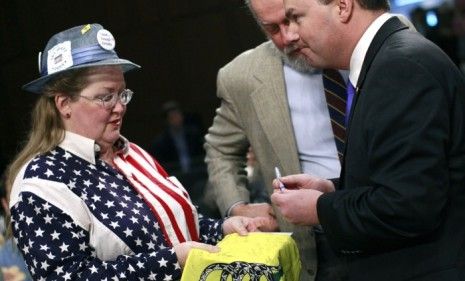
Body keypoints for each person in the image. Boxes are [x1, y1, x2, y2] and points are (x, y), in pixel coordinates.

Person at [5, 23, 269, 281]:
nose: (120, 107)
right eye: (106, 97)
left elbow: (172, 224)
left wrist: (223, 228)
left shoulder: (133, 153)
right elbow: (67, 276)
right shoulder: (40, 184)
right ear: (64, 104)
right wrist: (171, 262)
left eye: (123, 94)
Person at [270, 0, 465, 279]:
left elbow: (409, 206)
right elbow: (404, 179)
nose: (289, 35)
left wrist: (319, 209)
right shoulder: (389, 59)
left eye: (296, 18)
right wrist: (334, 190)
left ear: (342, 6)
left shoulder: (399, 65)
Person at [203, 0, 348, 278]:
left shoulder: (373, 45)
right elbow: (220, 149)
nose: (288, 37)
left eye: (293, 20)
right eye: (272, 29)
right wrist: (237, 206)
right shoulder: (241, 77)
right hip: (315, 245)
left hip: (389, 218)